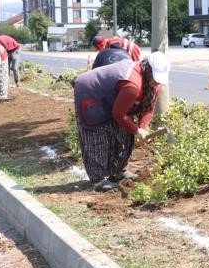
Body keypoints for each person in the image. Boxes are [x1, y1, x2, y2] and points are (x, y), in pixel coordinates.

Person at [72, 51, 170, 192]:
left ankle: (119, 170)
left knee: (124, 133)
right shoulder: (132, 84)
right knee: (97, 135)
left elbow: (148, 109)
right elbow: (118, 114)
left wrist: (144, 127)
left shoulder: (156, 85)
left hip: (114, 95)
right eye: (154, 78)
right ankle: (98, 180)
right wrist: (136, 130)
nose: (156, 82)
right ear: (148, 70)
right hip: (91, 92)